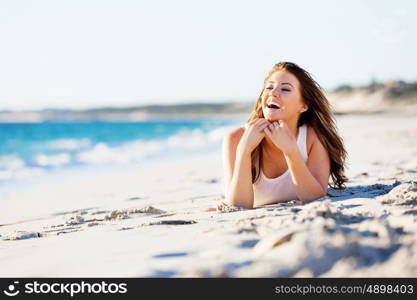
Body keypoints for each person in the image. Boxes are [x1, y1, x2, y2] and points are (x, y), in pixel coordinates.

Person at [222, 62, 347, 209]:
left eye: (285, 89)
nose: (274, 93)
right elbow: (237, 206)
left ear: (303, 105)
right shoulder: (236, 139)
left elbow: (316, 198)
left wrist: (291, 151)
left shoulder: (313, 138)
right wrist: (244, 150)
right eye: (269, 87)